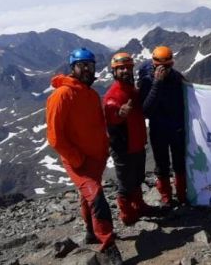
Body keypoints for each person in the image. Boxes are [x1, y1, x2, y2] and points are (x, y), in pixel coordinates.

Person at [46, 48, 122, 264]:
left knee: (87, 197)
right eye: (82, 66)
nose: (87, 70)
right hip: (78, 162)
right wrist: (77, 159)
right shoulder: (62, 95)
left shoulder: (90, 94)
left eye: (90, 65)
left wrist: (104, 148)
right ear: (73, 68)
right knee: (97, 197)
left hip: (96, 159)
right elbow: (55, 137)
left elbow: (97, 125)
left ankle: (90, 233)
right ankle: (108, 245)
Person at [103, 52, 156, 226]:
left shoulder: (131, 90)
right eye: (121, 68)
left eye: (128, 68)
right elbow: (111, 115)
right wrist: (120, 114)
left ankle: (138, 205)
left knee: (138, 177)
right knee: (125, 183)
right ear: (114, 71)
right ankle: (126, 214)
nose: (125, 71)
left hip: (137, 143)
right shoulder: (113, 95)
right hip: (123, 147)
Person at [139, 45, 187, 207]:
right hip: (158, 128)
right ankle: (166, 196)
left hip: (176, 127)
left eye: (167, 65)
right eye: (160, 66)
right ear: (154, 65)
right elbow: (146, 110)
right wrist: (157, 84)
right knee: (162, 164)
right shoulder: (147, 81)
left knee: (180, 162)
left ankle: (182, 194)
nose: (164, 69)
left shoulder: (176, 78)